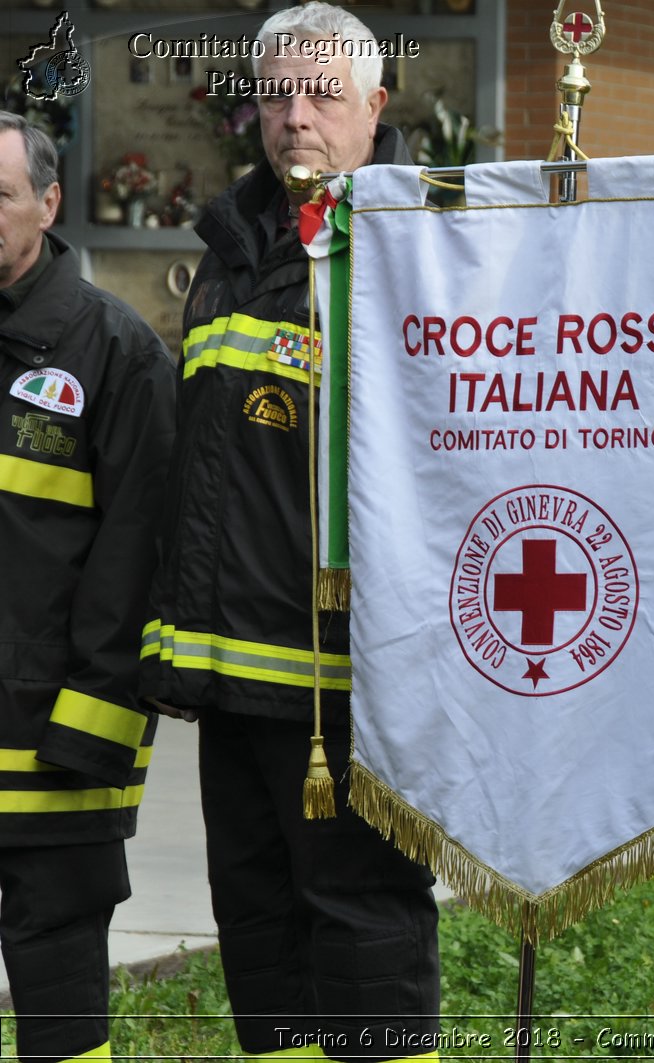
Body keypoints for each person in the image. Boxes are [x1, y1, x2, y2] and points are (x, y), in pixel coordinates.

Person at [138, 7, 441, 1060]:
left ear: (373, 107)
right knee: (258, 925)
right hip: (233, 673)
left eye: (320, 94)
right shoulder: (232, 244)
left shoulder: (423, 247)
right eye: (276, 94)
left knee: (363, 920)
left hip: (354, 676)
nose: (294, 116)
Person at [0, 111, 175, 1061]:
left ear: (49, 203)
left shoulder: (118, 352)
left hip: (52, 752)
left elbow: (137, 558)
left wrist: (90, 728)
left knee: (60, 1005)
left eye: (0, 193)